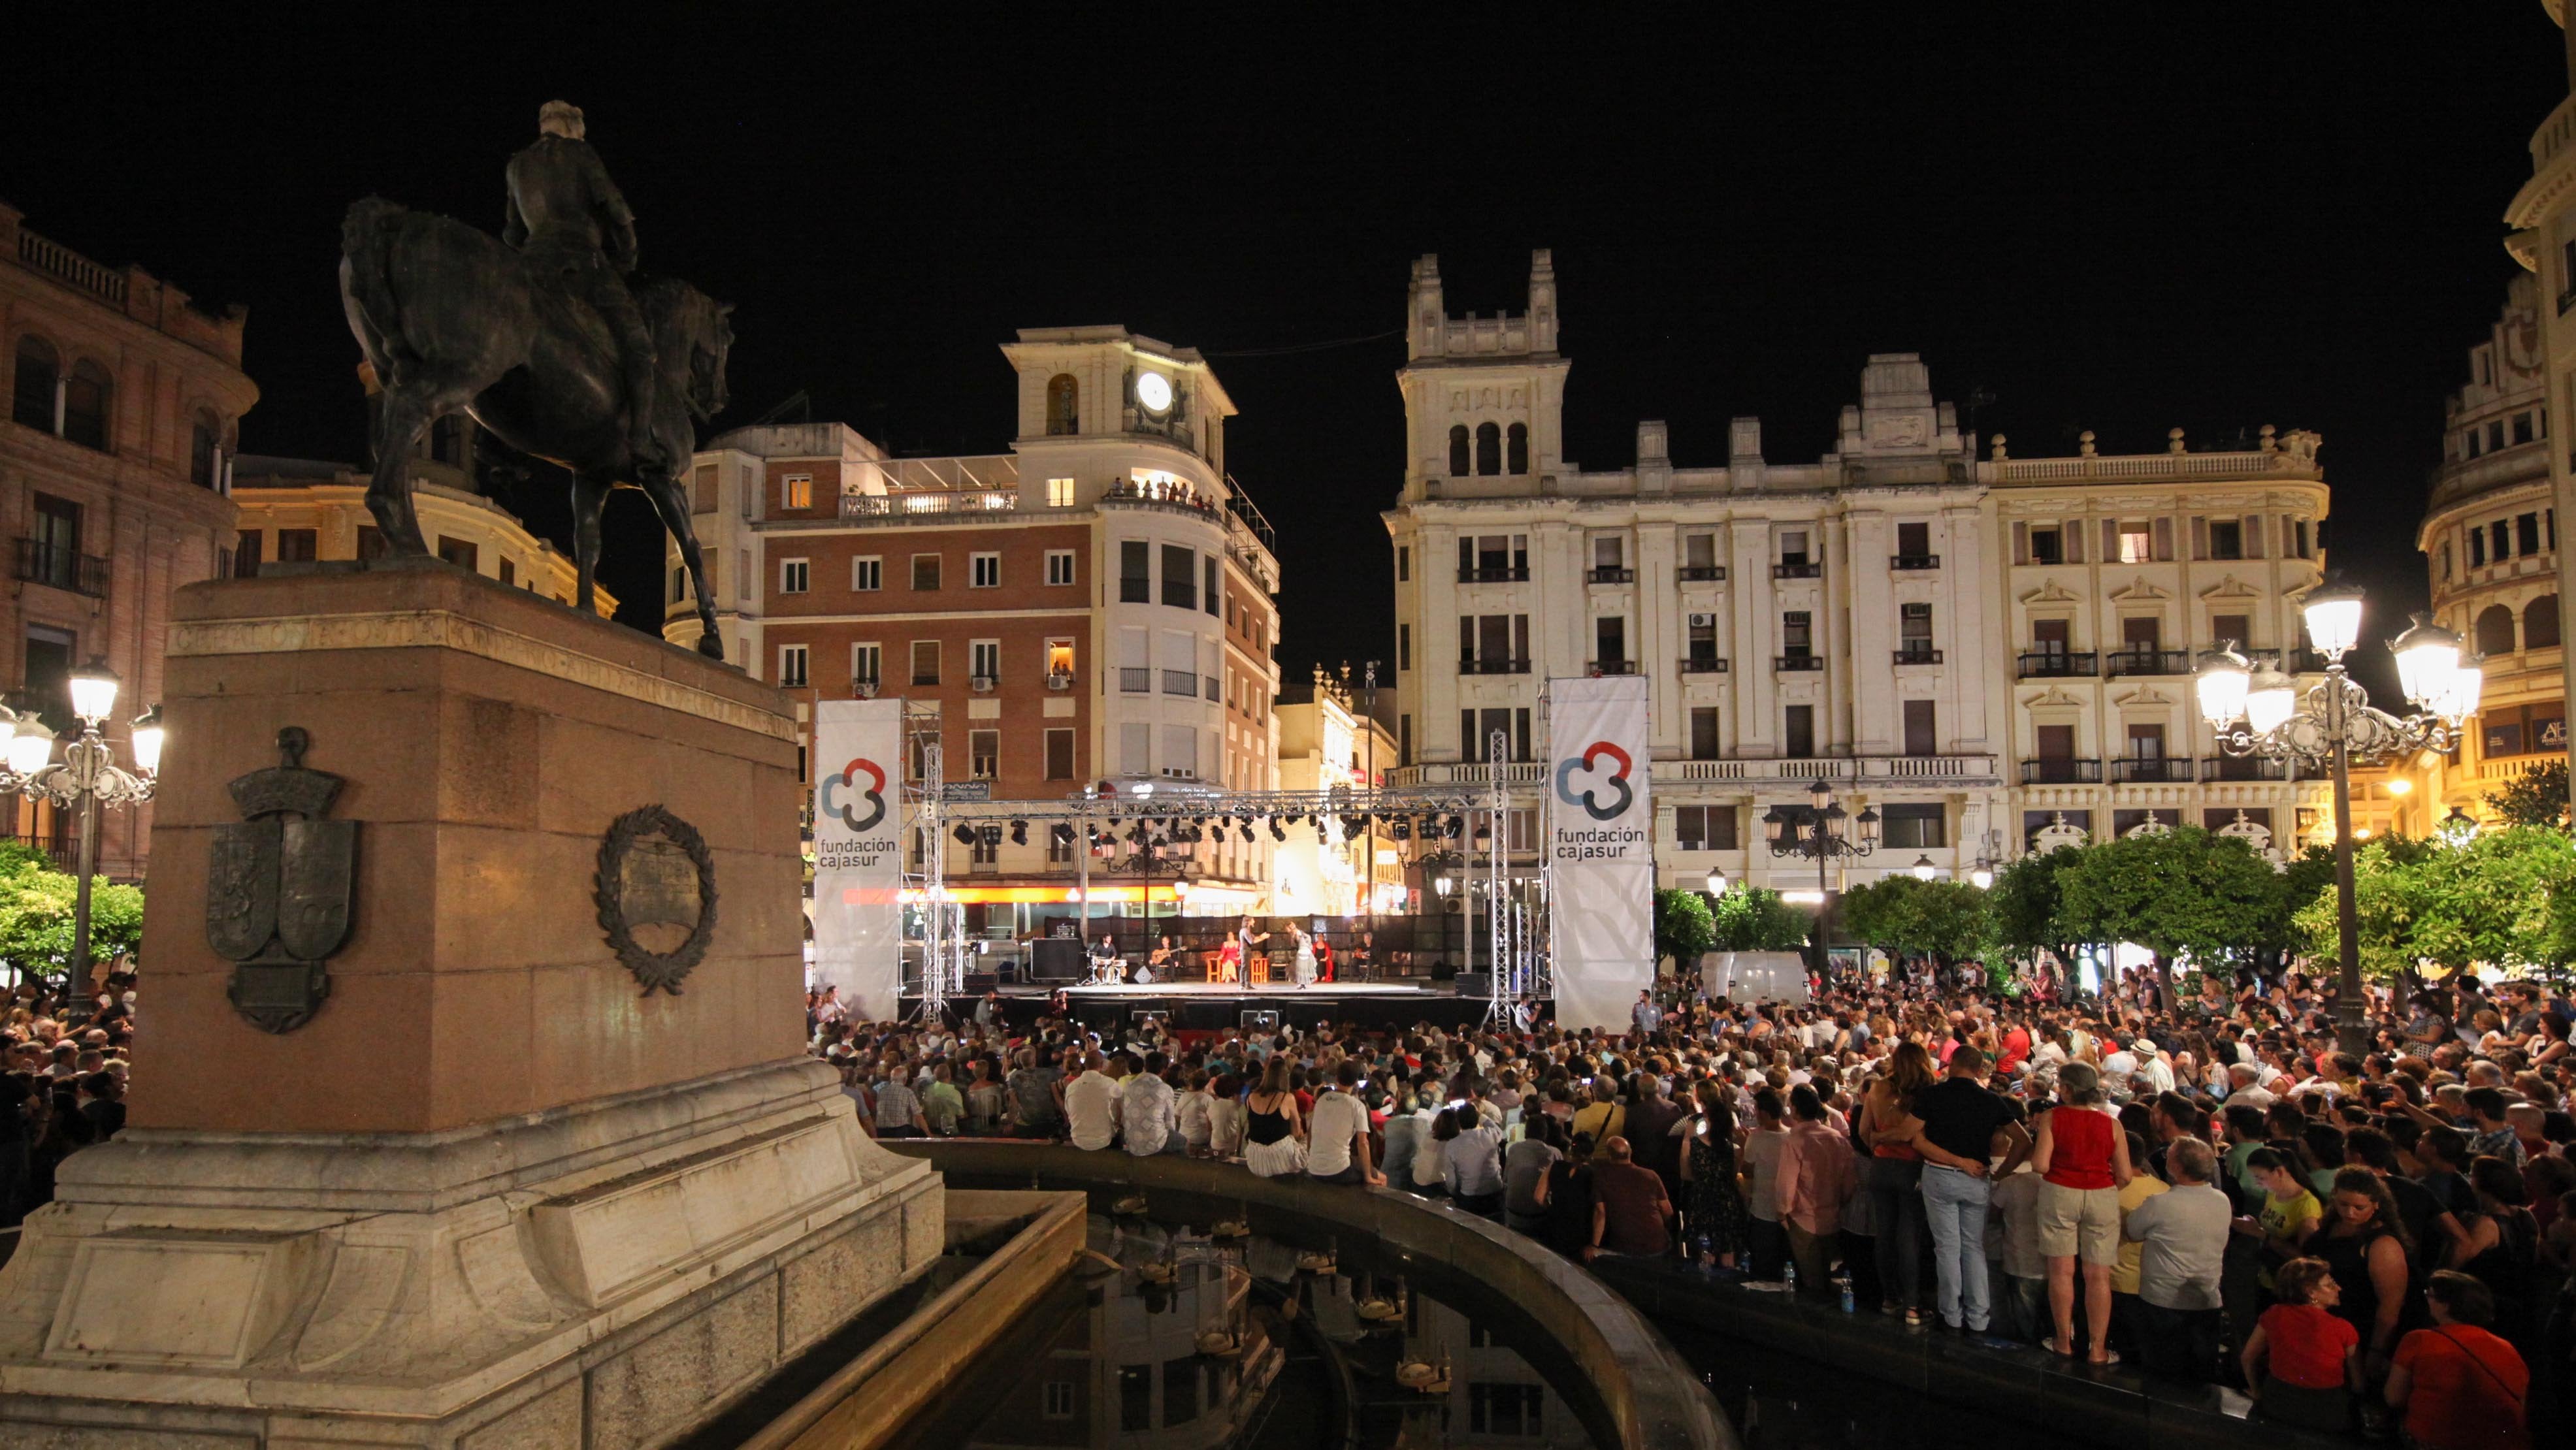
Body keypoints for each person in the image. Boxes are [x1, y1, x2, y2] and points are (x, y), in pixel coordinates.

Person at [502, 101, 660, 466]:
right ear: (572, 126)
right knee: (640, 349)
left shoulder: (517, 165)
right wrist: (628, 252)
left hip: (531, 265)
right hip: (581, 260)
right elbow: (616, 207)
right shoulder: (579, 153)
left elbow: (512, 231)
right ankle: (640, 437)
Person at [1904, 1044, 2031, 1334]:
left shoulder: (1932, 1095)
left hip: (1940, 1173)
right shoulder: (1991, 1100)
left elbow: (1911, 1133)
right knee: (1974, 1248)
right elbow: (2023, 1141)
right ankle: (1979, 1317)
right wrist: (2003, 1171)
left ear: (1951, 1063)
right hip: (1977, 1177)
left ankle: (1951, 1314)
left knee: (1947, 1248)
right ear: (1978, 1069)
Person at [2032, 1060, 2133, 1363]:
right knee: (2098, 1276)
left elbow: (2040, 1165)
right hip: (2101, 1194)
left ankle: (2064, 1342)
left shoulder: (2052, 1118)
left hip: (2060, 1192)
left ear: (2066, 1089)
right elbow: (2125, 1175)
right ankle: (2098, 1350)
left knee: (2061, 1271)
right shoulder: (2111, 1123)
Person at [2120, 1136, 2231, 1381]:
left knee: (2163, 1374)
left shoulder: (2161, 1203)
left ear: (2177, 1167)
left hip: (2164, 1301)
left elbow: (2133, 1230)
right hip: (2206, 1299)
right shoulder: (2222, 1201)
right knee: (2200, 1375)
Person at [2387, 1272, 2532, 1450]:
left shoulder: (2419, 1339)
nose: (2425, 1299)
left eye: (2428, 1294)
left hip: (2437, 1441)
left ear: (2446, 1305)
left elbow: (2394, 1398)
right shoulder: (2508, 1348)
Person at [2313, 1167, 2415, 1393]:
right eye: (2343, 1204)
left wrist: (2376, 1353)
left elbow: (2390, 1306)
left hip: (2358, 1330)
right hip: (2324, 1324)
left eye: (2360, 1207)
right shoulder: (2333, 1223)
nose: (2350, 1212)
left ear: (2377, 1204)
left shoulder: (2382, 1244)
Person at [2243, 1257, 2360, 1432]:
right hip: (2326, 1412)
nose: (2338, 1288)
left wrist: (2257, 1394)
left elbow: (2247, 1358)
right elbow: (2359, 1384)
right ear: (2310, 1292)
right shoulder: (2343, 1329)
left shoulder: (2274, 1314)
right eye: (2330, 1285)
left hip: (2277, 1403)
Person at [1773, 1085, 1858, 1300]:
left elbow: (1786, 1183)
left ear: (1794, 1109)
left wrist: (1783, 1211)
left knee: (1811, 1280)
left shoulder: (1794, 1141)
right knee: (1826, 1273)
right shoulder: (1837, 1138)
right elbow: (1850, 1180)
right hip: (1832, 1215)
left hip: (1804, 1218)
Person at [1680, 1080, 1750, 1271]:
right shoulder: (1731, 1148)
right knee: (1728, 1252)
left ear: (1706, 1116)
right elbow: (1734, 1174)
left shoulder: (1694, 1144)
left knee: (1706, 1253)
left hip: (1702, 1199)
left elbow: (1686, 1174)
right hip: (1727, 1201)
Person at [1588, 1136, 1676, 1259]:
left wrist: (1594, 1246)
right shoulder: (1651, 1175)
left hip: (1624, 1246)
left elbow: (1600, 1214)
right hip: (1657, 1245)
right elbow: (1668, 1211)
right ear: (1630, 1152)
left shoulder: (1602, 1178)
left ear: (1609, 1156)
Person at [1307, 1062, 1383, 1185]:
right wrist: (1369, 1177)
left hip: (1314, 1166)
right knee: (1381, 1177)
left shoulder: (1322, 1099)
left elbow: (1310, 1131)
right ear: (1355, 1082)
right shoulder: (1357, 1106)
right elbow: (1363, 1143)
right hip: (1339, 1170)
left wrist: (1311, 1157)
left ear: (1337, 1078)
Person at [1241, 1057, 1306, 1177]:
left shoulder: (1251, 1097)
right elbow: (1297, 1132)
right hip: (1280, 1159)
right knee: (1306, 1140)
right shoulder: (1287, 1098)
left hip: (1256, 1160)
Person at [1505, 1112, 1565, 1236]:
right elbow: (1561, 1186)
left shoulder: (1514, 1149)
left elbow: (1505, 1179)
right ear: (1545, 1133)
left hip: (1512, 1212)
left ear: (1526, 1131)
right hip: (1539, 1214)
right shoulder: (1554, 1153)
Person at [1444, 1099, 1507, 1215]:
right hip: (1495, 1193)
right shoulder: (1491, 1134)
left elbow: (1451, 1182)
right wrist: (1480, 1115)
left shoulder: (1452, 1145)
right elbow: (1497, 1129)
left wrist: (1457, 1194)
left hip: (1469, 1198)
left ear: (1458, 1122)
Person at [1119, 1051, 1179, 1156]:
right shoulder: (1165, 1089)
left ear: (1145, 1066)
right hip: (1155, 1143)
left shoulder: (1129, 1085)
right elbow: (1170, 1123)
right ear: (1164, 1070)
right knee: (1183, 1142)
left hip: (1131, 1140)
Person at [1062, 1052, 1120, 1152]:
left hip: (1078, 1138)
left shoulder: (1072, 1086)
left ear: (1084, 1064)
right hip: (1103, 1140)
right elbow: (1121, 1106)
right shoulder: (1110, 1084)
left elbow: (1069, 1111)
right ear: (1102, 1065)